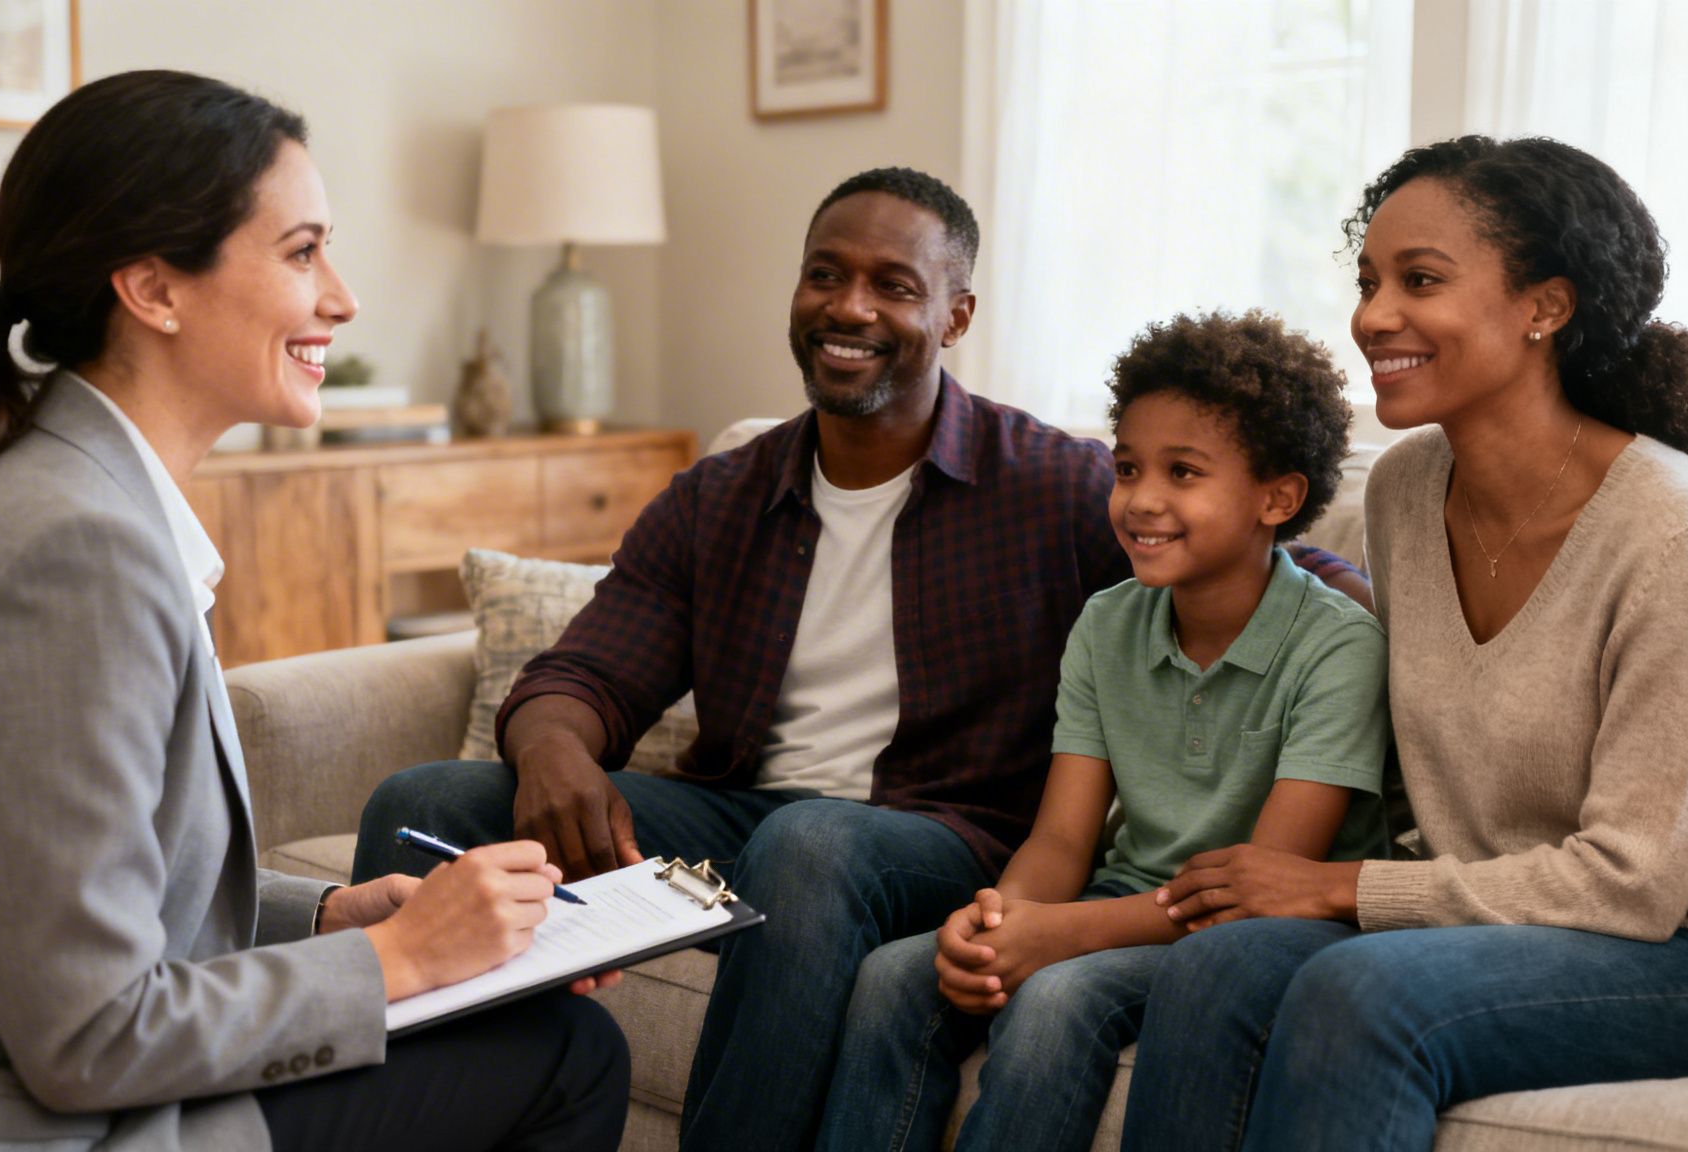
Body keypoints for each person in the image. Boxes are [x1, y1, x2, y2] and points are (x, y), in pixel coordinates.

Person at [355, 166, 1371, 1149]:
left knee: (812, 846)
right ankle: (410, 1122)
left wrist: (1383, 633)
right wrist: (553, 754)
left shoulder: (1050, 488)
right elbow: (585, 674)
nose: (848, 307)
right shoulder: (721, 499)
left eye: (892, 285)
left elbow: (1255, 555)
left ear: (955, 316)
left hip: (944, 833)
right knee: (429, 804)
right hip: (745, 814)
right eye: (824, 274)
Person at [0, 71, 627, 1152]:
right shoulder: (70, 553)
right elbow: (86, 1034)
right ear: (154, 289)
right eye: (301, 252)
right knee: (568, 1059)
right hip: (58, 1128)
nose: (341, 297)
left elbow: (96, 902)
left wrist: (330, 919)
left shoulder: (72, 498)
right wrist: (400, 960)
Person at [1119, 135, 1688, 1151]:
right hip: (1492, 926)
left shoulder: (1671, 528)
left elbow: (1633, 882)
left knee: (1359, 995)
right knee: (1214, 965)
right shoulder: (1403, 491)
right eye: (1367, 281)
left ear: (1543, 306)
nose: (1372, 317)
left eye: (1419, 280)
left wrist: (1340, 888)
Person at [816, 310, 1391, 1152]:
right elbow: (1059, 840)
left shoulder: (1340, 647)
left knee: (1058, 998)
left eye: (1183, 472)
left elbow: (1261, 887)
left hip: (1260, 932)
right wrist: (998, 924)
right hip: (1125, 902)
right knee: (894, 975)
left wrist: (1060, 938)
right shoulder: (1106, 624)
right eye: (1127, 469)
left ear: (1279, 497)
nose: (1141, 500)